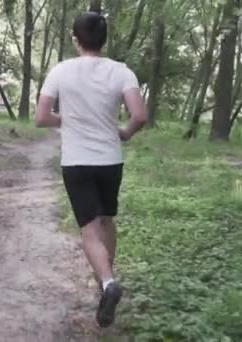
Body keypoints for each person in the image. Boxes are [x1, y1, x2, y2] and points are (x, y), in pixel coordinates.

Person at [35, 11, 148, 328]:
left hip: (77, 161)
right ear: (105, 39)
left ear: (75, 40)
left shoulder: (61, 71)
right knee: (106, 219)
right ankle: (105, 277)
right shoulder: (121, 72)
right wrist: (124, 132)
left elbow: (42, 117)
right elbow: (139, 115)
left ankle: (108, 283)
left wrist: (67, 119)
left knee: (88, 227)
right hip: (111, 160)